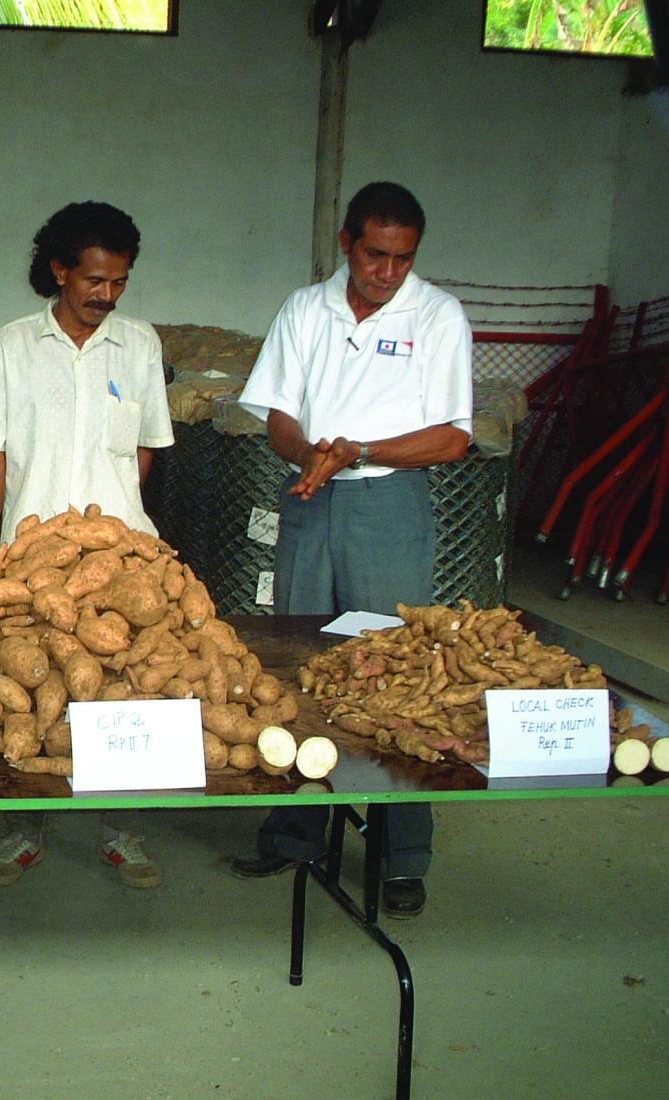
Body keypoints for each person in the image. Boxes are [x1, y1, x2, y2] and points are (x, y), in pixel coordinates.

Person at [229, 182, 473, 919]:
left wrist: (359, 450)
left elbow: (453, 436)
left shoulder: (437, 315)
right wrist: (308, 453)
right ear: (346, 243)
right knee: (299, 662)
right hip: (311, 496)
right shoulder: (307, 309)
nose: (388, 272)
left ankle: (401, 853)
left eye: (403, 258)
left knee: (398, 672)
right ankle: (296, 830)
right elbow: (277, 413)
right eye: (375, 254)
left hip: (390, 505)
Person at [0, 201, 175, 889]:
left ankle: (123, 830)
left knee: (121, 685)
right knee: (29, 690)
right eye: (94, 281)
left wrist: (113, 527)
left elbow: (144, 448)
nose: (107, 296)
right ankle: (25, 828)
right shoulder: (11, 346)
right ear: (59, 271)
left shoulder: (139, 346)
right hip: (32, 557)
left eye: (120, 282)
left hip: (119, 555)